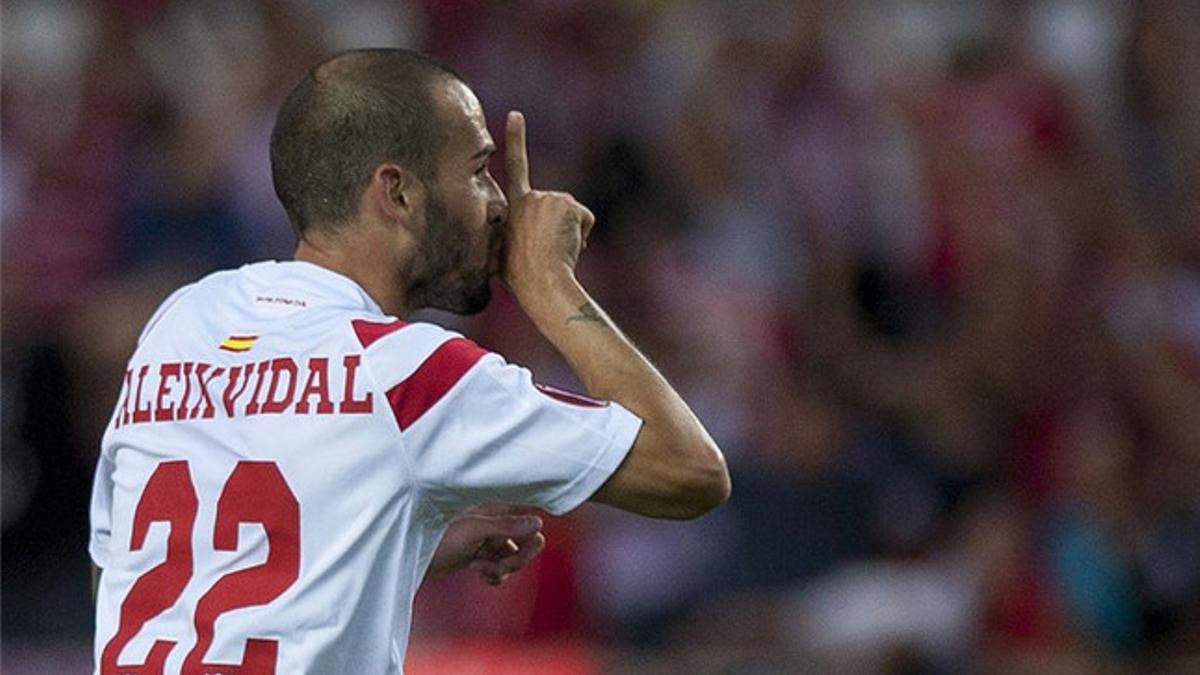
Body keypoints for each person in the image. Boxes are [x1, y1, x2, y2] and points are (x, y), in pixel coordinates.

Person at [89, 48, 730, 674]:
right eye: (479, 170)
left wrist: (394, 543)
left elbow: (122, 570)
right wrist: (549, 284)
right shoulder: (408, 374)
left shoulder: (182, 323)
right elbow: (690, 470)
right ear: (396, 192)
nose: (500, 203)